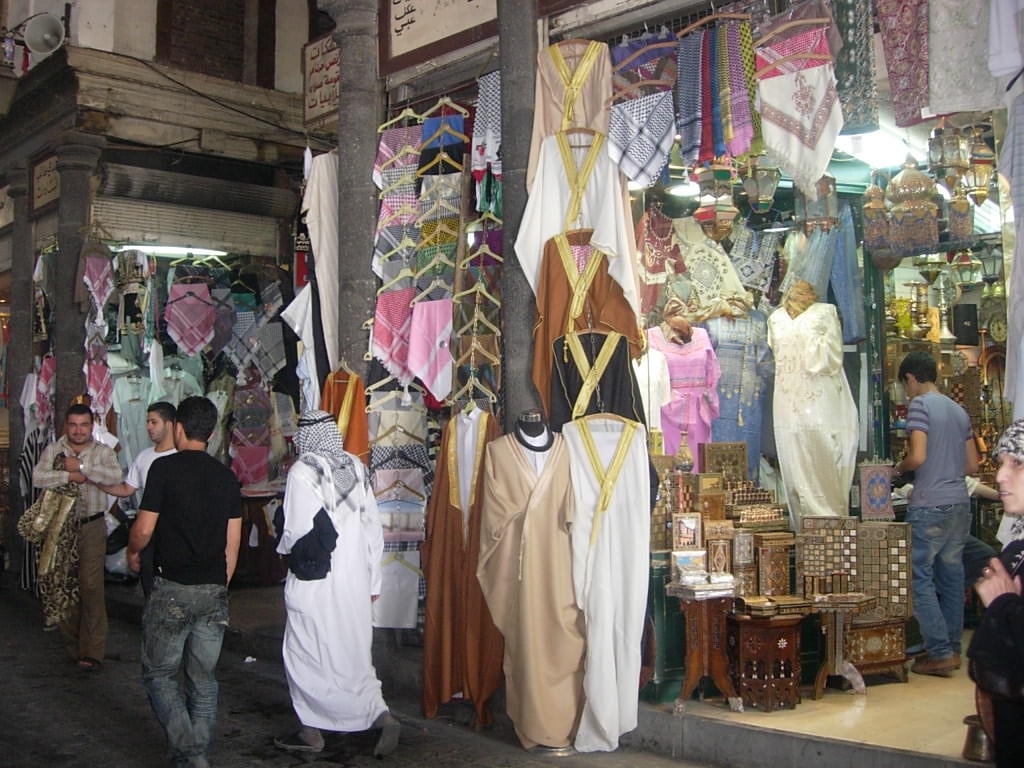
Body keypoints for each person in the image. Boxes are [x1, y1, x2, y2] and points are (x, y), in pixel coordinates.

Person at [273, 410, 399, 758]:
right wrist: (373, 578)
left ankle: (311, 730)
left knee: (306, 650)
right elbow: (373, 527)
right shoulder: (355, 467)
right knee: (354, 652)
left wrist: (279, 542)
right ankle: (380, 716)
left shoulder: (302, 473)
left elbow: (295, 532)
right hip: (356, 580)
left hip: (317, 584)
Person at [128, 396, 242, 768]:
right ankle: (198, 752)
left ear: (178, 428)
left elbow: (144, 529)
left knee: (160, 674)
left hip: (172, 588)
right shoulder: (227, 478)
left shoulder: (164, 470)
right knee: (203, 678)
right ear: (210, 433)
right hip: (213, 589)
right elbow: (233, 543)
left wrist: (133, 550)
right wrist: (219, 584)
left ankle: (190, 752)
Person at [894, 350, 979, 677]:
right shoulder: (958, 411)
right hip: (959, 502)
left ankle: (940, 651)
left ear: (911, 378)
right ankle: (953, 650)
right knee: (952, 576)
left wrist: (896, 471)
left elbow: (917, 456)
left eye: (906, 384)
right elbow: (972, 465)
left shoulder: (920, 406)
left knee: (920, 578)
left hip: (930, 504)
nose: (907, 391)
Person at [32, 401, 122, 669]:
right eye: (73, 425)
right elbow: (38, 477)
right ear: (66, 426)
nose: (78, 430)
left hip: (92, 526)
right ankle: (74, 646)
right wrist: (68, 475)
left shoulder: (103, 452)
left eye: (83, 425)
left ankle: (93, 650)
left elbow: (115, 476)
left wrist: (83, 468)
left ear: (91, 427)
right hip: (60, 528)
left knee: (91, 585)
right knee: (64, 585)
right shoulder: (54, 450)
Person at [968, 418, 1024, 768]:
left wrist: (1003, 605)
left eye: (1017, 463)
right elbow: (985, 660)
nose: (1001, 476)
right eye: (1001, 462)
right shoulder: (1015, 551)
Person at [97, 401, 177, 596]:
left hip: (174, 529)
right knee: (150, 582)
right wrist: (97, 483)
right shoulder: (143, 457)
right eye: (147, 422)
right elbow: (126, 489)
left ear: (169, 424)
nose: (148, 427)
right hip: (147, 529)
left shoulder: (180, 456)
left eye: (154, 422)